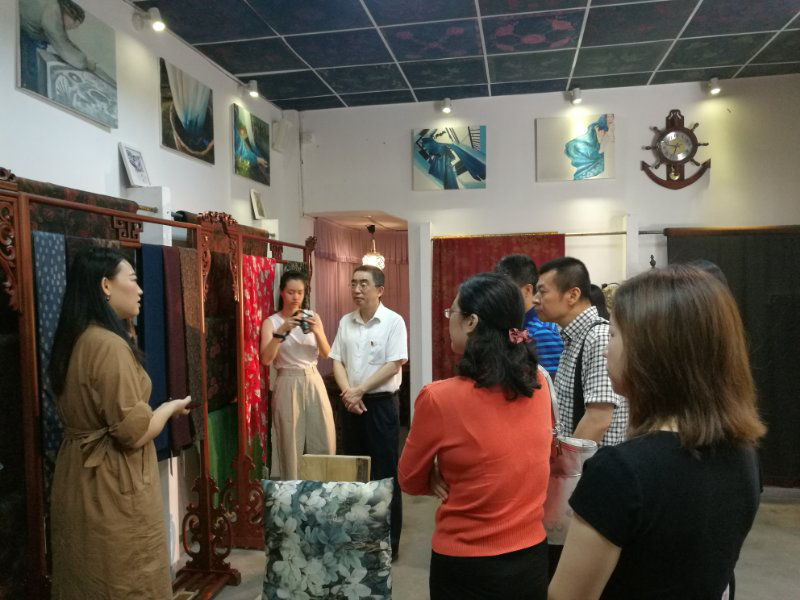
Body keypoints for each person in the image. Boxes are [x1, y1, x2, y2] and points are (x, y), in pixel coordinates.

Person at [549, 265, 766, 600]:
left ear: (651, 351)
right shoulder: (742, 452)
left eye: (614, 335)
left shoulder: (619, 472)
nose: (606, 349)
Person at [48, 247, 191, 600]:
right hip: (112, 480)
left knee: (84, 573)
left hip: (75, 474)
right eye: (133, 280)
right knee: (127, 575)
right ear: (106, 286)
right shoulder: (109, 346)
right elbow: (134, 432)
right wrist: (168, 408)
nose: (140, 290)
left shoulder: (75, 338)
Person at [399, 272, 552, 600]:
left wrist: (434, 475)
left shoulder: (439, 398)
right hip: (532, 556)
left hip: (466, 563)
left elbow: (409, 479)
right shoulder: (537, 384)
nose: (448, 320)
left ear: (471, 322)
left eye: (452, 312)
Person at [329, 265, 408, 558]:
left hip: (381, 405)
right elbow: (337, 360)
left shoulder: (393, 322)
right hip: (351, 404)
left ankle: (388, 542)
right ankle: (357, 537)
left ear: (380, 290)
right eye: (353, 284)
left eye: (363, 284)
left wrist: (359, 390)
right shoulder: (345, 322)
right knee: (354, 472)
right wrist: (349, 393)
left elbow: (394, 363)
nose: (357, 289)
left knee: (384, 474)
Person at [260, 270, 335, 480]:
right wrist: (281, 332)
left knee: (323, 435)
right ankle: (291, 490)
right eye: (291, 292)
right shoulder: (271, 322)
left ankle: (322, 488)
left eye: (300, 292)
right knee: (289, 440)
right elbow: (266, 359)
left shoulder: (313, 317)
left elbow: (327, 353)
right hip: (287, 380)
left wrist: (317, 331)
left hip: (313, 378)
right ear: (282, 292)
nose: (296, 297)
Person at [494, 254, 563, 378]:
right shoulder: (514, 325)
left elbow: (551, 385)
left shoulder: (542, 332)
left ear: (527, 290)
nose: (500, 297)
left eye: (507, 290)